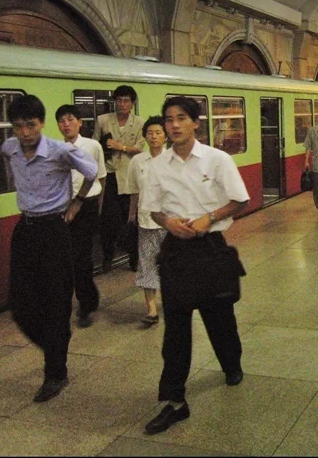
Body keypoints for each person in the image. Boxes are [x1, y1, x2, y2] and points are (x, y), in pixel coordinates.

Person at [141, 96, 250, 435]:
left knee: (220, 319)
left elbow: (240, 199)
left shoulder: (217, 159)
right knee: (175, 330)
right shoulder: (158, 165)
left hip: (211, 249)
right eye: (169, 119)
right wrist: (168, 222)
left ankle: (231, 364)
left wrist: (210, 218)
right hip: (176, 253)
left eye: (181, 118)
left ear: (195, 123)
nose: (173, 125)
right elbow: (154, 209)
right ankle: (174, 401)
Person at [1, 95, 98, 403]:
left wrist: (78, 201)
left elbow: (93, 171)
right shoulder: (10, 147)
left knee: (56, 301)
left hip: (54, 230)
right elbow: (8, 160)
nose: (25, 133)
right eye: (18, 126)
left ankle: (55, 372)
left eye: (30, 125)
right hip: (25, 230)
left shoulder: (61, 151)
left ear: (41, 124)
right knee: (20, 305)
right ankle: (57, 341)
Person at [56, 104, 106, 329]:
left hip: (86, 206)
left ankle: (86, 305)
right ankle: (66, 304)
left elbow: (101, 177)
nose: (65, 124)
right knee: (64, 259)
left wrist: (98, 207)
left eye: (70, 119)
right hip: (62, 208)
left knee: (82, 257)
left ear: (80, 122)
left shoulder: (92, 146)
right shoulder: (55, 149)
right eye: (61, 121)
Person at [93, 85, 145, 273]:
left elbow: (140, 148)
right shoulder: (103, 120)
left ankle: (134, 257)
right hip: (109, 175)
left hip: (129, 175)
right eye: (119, 100)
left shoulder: (139, 123)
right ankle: (108, 256)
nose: (122, 104)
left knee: (130, 218)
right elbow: (95, 144)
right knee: (107, 219)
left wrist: (120, 146)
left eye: (126, 101)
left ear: (132, 104)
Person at [127, 116, 168, 326]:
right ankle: (151, 310)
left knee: (171, 265)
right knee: (147, 264)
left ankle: (171, 302)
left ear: (166, 136)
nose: (154, 137)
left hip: (170, 222)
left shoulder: (173, 159)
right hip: (145, 221)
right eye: (150, 133)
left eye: (158, 132)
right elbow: (134, 190)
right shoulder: (137, 161)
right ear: (145, 136)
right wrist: (131, 214)